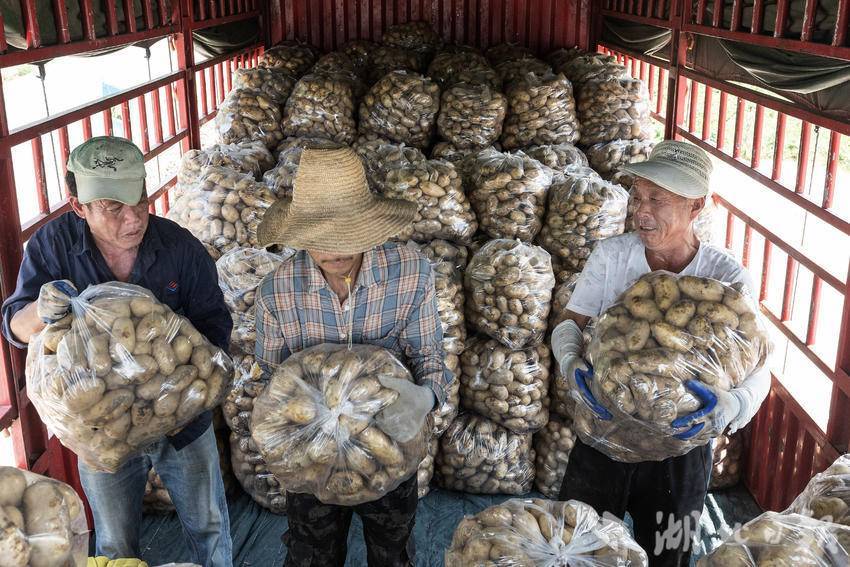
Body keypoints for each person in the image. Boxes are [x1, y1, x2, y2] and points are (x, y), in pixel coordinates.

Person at [1, 136, 233, 567]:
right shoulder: (52, 246)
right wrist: (42, 310)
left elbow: (216, 327)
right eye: (113, 207)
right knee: (114, 542)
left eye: (140, 200)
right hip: (101, 429)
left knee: (209, 526)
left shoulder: (179, 247)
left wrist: (176, 378)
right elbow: (15, 328)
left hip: (180, 420)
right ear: (79, 206)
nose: (134, 218)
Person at [550, 141, 770, 566]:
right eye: (637, 196)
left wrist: (732, 404)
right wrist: (570, 361)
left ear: (696, 207)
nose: (641, 211)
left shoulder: (725, 276)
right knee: (578, 549)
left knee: (670, 553)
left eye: (657, 199)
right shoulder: (612, 255)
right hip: (604, 435)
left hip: (681, 453)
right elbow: (570, 321)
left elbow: (760, 366)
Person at [254, 146, 450, 567]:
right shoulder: (276, 291)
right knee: (312, 556)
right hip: (311, 452)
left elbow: (429, 354)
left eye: (347, 234)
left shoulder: (411, 272)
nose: (334, 248)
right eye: (320, 237)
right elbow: (273, 382)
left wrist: (426, 398)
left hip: (390, 443)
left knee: (392, 554)